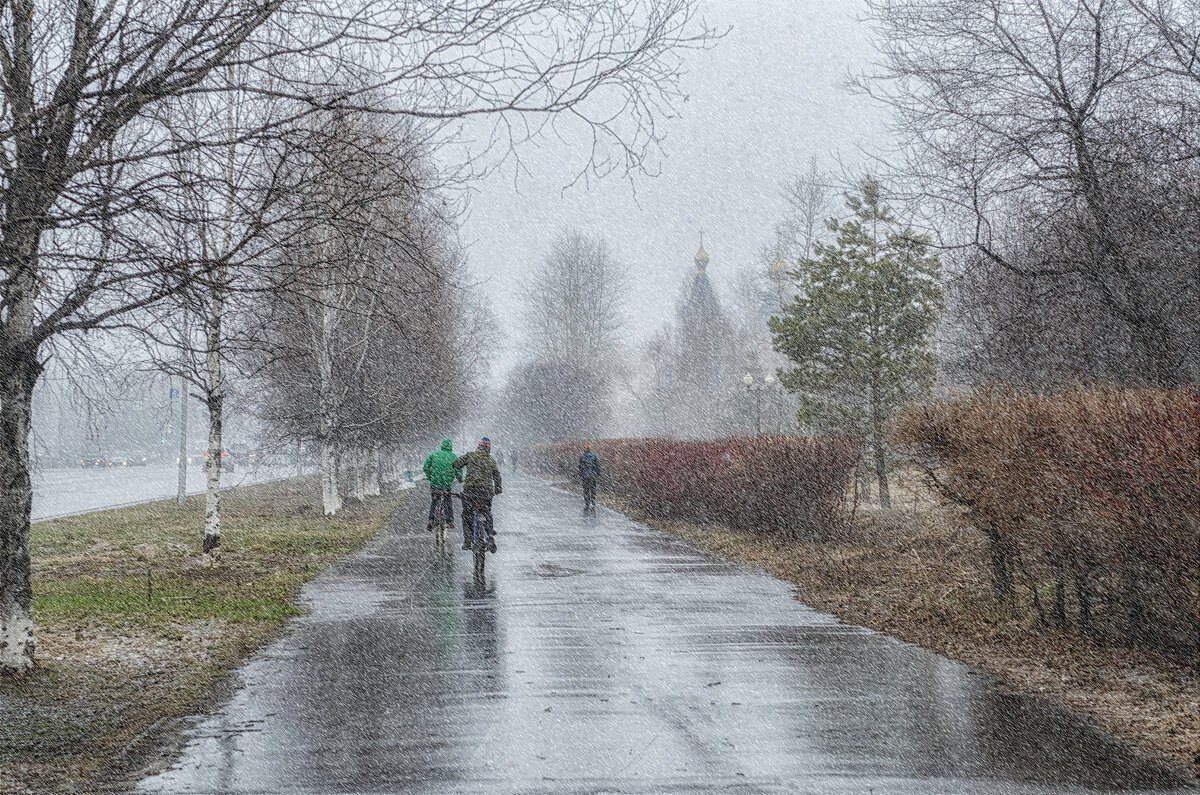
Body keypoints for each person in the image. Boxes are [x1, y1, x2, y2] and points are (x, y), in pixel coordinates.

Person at [453, 437, 502, 552]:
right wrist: (498, 489)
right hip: (486, 493)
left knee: (466, 515)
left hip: (470, 492)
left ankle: (468, 540)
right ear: (488, 449)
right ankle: (489, 535)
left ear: (478, 446)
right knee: (487, 512)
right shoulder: (491, 460)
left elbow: (456, 464)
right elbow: (497, 475)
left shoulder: (470, 455)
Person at [423, 439, 462, 531]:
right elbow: (458, 470)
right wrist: (460, 479)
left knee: (434, 501)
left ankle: (431, 520)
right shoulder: (454, 457)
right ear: (451, 447)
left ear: (442, 446)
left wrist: (430, 476)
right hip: (447, 484)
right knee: (448, 502)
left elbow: (425, 467)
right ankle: (450, 520)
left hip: (435, 483)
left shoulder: (434, 455)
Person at [578, 443, 600, 514]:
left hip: (585, 476)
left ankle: (587, 503)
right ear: (590, 449)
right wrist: (598, 474)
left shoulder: (582, 456)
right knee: (593, 489)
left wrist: (581, 474)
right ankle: (593, 502)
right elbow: (597, 466)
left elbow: (580, 467)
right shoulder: (594, 456)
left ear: (584, 449)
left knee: (586, 489)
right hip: (592, 476)